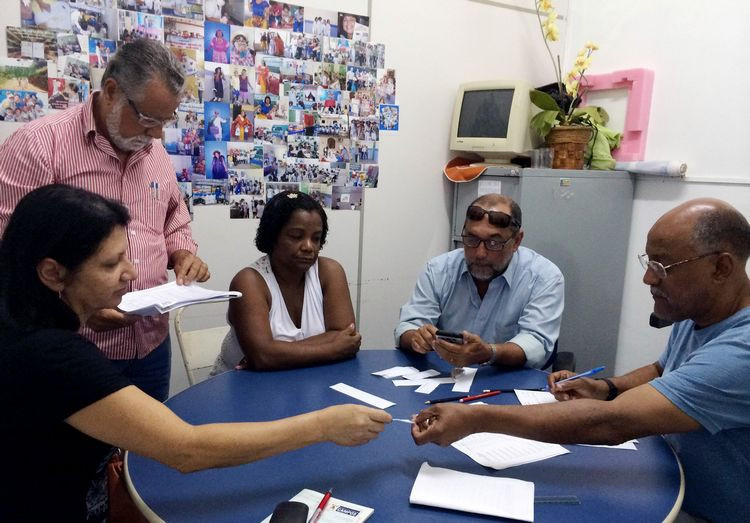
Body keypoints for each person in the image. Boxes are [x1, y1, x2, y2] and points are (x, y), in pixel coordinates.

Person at [0, 184, 392, 522]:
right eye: (111, 263)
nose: (132, 273)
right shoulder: (52, 356)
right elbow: (186, 449)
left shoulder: (22, 323)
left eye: (126, 255)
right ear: (52, 273)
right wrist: (323, 426)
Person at [411, 198, 750, 523]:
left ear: (721, 267)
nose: (648, 279)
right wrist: (607, 387)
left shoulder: (740, 352)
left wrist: (476, 418)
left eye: (662, 267)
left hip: (709, 514)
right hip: (669, 481)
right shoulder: (700, 313)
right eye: (648, 262)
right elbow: (663, 369)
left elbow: (611, 423)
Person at [0, 39, 209, 402]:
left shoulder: (153, 151)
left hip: (149, 345)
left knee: (143, 455)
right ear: (111, 91)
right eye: (148, 119)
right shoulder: (38, 146)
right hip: (74, 346)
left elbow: (174, 217)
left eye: (165, 121)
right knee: (75, 458)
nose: (157, 134)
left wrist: (182, 253)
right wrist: (76, 306)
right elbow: (12, 254)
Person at [395, 194, 564, 369]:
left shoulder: (544, 277)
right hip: (447, 377)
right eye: (471, 239)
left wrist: (490, 353)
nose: (480, 254)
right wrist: (416, 337)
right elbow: (409, 325)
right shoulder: (438, 270)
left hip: (509, 380)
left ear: (516, 241)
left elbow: (536, 343)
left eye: (494, 242)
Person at [212, 190, 361, 373]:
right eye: (296, 236)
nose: (309, 247)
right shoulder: (248, 281)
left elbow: (347, 337)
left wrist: (277, 352)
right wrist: (332, 347)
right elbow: (263, 357)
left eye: (316, 238)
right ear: (273, 236)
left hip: (301, 379)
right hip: (239, 386)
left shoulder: (330, 272)